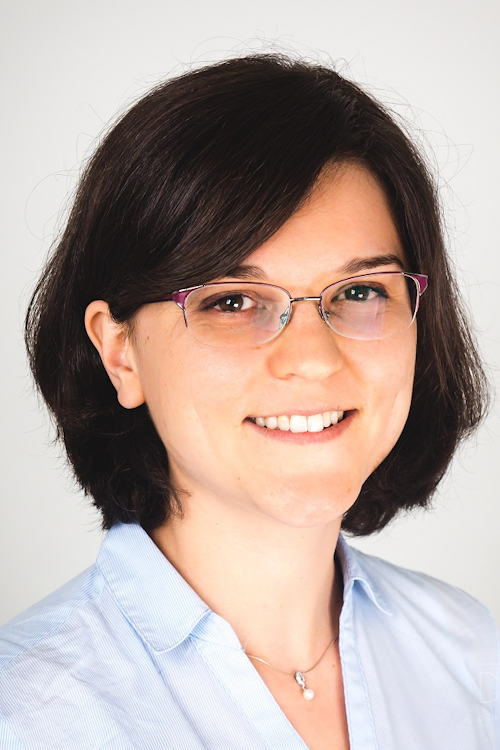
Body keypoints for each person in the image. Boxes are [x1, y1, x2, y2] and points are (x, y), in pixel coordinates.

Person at [0, 54, 498, 750]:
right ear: (120, 352)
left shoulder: (473, 657)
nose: (313, 358)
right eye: (232, 301)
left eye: (360, 292)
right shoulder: (27, 717)